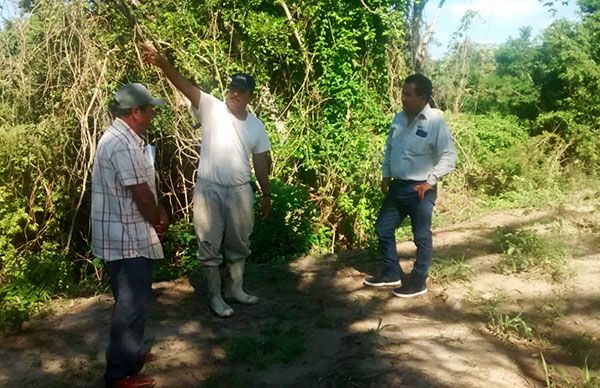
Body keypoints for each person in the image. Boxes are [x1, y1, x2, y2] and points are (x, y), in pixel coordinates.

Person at [142, 46, 272, 318]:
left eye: (242, 91)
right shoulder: (212, 107)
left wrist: (266, 193)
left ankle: (235, 289)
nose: (235, 94)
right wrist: (162, 63)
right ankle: (215, 297)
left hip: (240, 191)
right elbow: (183, 85)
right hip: (209, 189)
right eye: (232, 88)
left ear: (250, 96)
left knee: (239, 243)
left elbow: (261, 162)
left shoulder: (256, 126)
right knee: (209, 245)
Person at [91, 83, 168, 388]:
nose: (152, 114)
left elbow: (142, 187)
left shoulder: (121, 138)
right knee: (131, 304)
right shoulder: (122, 144)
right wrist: (158, 220)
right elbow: (141, 195)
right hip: (126, 237)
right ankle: (119, 374)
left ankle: (130, 354)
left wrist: (156, 215)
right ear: (135, 112)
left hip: (120, 233)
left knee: (131, 299)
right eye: (149, 109)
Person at [364, 74, 457, 298]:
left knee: (421, 236)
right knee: (383, 228)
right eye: (402, 93)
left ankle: (418, 281)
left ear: (423, 97)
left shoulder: (435, 121)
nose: (402, 98)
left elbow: (449, 157)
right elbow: (390, 149)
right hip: (398, 186)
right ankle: (391, 272)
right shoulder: (398, 119)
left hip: (421, 189)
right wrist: (386, 175)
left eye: (408, 94)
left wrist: (430, 181)